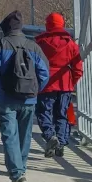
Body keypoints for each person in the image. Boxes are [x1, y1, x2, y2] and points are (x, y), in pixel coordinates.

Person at [0, 10, 49, 182]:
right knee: (24, 136)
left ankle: (17, 174)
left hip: (6, 98)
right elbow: (44, 73)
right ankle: (22, 171)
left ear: (5, 28)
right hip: (29, 99)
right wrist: (36, 90)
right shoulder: (33, 46)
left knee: (9, 136)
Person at [34, 13, 84, 158]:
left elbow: (34, 63)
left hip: (45, 83)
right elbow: (78, 68)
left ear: (48, 24)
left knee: (44, 112)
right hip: (64, 82)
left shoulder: (40, 42)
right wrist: (71, 82)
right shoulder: (70, 43)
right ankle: (61, 143)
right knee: (62, 115)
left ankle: (50, 137)